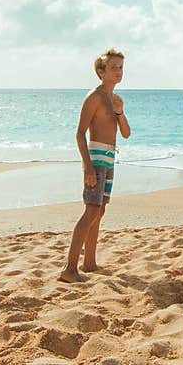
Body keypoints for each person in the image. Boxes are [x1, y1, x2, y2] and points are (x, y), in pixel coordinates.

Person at [60, 48, 131, 282]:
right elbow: (80, 133)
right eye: (113, 68)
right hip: (96, 158)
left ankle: (89, 263)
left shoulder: (114, 99)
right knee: (91, 209)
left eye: (121, 67)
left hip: (110, 158)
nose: (119, 72)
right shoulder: (95, 96)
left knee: (99, 211)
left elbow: (126, 133)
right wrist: (87, 166)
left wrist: (120, 112)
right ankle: (70, 269)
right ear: (101, 72)